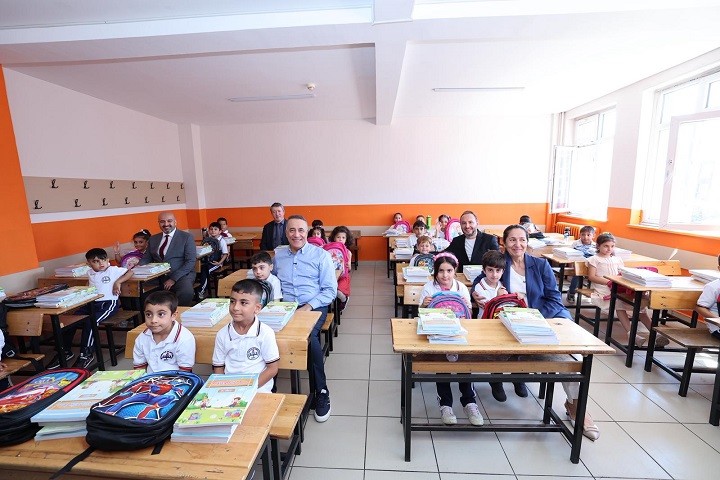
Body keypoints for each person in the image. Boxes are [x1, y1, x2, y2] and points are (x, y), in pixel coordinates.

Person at [499, 224, 599, 440]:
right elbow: (483, 284)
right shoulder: (499, 264)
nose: (517, 244)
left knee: (574, 354)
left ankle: (576, 405)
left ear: (527, 242)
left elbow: (554, 298)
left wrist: (542, 320)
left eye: (522, 239)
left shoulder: (540, 264)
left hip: (542, 317)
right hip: (509, 321)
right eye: (512, 240)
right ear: (504, 243)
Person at [273, 215, 337, 422]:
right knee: (265, 337)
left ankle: (321, 390)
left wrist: (308, 307)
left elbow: (330, 291)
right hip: (284, 307)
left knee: (310, 340)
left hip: (313, 306)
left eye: (301, 230)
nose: (296, 235)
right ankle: (268, 390)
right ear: (286, 233)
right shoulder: (278, 256)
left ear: (307, 232)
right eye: (292, 230)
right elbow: (268, 279)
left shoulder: (321, 255)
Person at [418, 253, 483, 426]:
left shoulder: (461, 287)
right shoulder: (428, 287)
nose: (445, 275)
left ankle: (470, 402)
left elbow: (468, 313)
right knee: (442, 368)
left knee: (465, 367)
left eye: (449, 270)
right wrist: (424, 305)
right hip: (437, 334)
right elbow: (421, 314)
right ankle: (445, 405)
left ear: (455, 270)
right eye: (441, 271)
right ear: (435, 271)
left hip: (458, 333)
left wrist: (466, 304)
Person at [47, 248, 134, 370]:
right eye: (96, 261)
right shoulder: (90, 272)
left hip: (107, 305)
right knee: (70, 321)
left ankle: (86, 354)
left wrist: (118, 282)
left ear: (107, 260)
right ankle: (65, 352)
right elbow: (91, 284)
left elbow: (130, 272)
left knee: (91, 322)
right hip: (91, 304)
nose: (101, 263)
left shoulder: (113, 270)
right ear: (89, 264)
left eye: (103, 260)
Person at [587, 233, 668, 348]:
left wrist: (622, 282)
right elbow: (592, 277)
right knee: (619, 302)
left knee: (639, 304)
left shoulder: (617, 259)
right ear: (598, 245)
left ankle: (655, 333)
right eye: (606, 246)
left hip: (618, 286)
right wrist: (609, 282)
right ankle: (631, 334)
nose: (609, 249)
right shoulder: (594, 259)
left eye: (612, 246)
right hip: (603, 288)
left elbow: (622, 274)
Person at [471, 250, 527, 401]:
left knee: (517, 348)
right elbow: (488, 306)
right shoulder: (480, 288)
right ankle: (496, 379)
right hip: (487, 326)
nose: (494, 274)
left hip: (503, 323)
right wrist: (499, 297)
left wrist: (516, 297)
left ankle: (518, 377)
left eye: (498, 271)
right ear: (484, 270)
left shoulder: (503, 284)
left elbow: (509, 304)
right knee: (497, 354)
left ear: (503, 271)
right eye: (490, 270)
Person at [212, 279, 280, 393]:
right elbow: (218, 368)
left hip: (258, 389)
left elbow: (272, 369)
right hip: (229, 390)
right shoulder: (222, 334)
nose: (235, 307)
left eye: (243, 303)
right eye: (232, 301)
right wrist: (223, 389)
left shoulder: (265, 333)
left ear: (257, 308)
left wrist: (249, 389)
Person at [139, 211, 197, 306]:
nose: (166, 224)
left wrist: (173, 279)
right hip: (159, 276)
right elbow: (146, 258)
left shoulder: (186, 237)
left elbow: (190, 261)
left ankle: (177, 313)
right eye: (162, 221)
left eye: (169, 221)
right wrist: (137, 267)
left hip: (182, 275)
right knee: (137, 289)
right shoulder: (153, 239)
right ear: (158, 223)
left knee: (186, 291)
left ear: (175, 222)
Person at [133, 291, 195, 373]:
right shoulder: (142, 338)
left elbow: (184, 372)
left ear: (173, 316)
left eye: (161, 314)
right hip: (150, 379)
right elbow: (139, 369)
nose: (153, 320)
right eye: (148, 314)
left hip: (176, 379)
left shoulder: (184, 338)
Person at [196, 222, 229, 300]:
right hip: (206, 262)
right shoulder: (207, 240)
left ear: (220, 231)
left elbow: (225, 254)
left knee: (206, 271)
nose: (213, 231)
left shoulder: (222, 241)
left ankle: (201, 291)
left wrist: (219, 263)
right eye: (211, 229)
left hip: (216, 263)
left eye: (215, 229)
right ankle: (197, 289)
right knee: (199, 270)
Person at [566, 226, 597, 304]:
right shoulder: (576, 244)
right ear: (580, 235)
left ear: (593, 236)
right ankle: (571, 292)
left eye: (588, 235)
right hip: (578, 265)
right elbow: (570, 254)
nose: (585, 237)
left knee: (598, 275)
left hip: (591, 266)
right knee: (577, 276)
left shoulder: (595, 246)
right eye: (583, 234)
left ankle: (595, 293)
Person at [695, 254, 720, 338]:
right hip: (717, 328)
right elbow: (700, 308)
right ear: (719, 269)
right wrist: (717, 319)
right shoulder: (713, 287)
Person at [329, 226, 353, 307]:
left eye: (343, 238)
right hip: (330, 275)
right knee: (328, 291)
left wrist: (348, 265)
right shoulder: (329, 248)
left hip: (343, 277)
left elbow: (349, 268)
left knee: (338, 292)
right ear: (334, 238)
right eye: (338, 237)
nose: (340, 239)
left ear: (346, 239)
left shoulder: (348, 252)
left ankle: (344, 300)